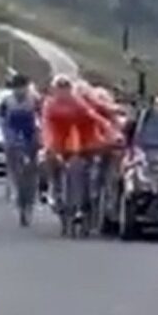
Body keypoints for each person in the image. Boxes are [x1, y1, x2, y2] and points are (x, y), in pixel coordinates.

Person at [41, 74, 119, 216]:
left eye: (66, 88)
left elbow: (93, 115)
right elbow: (46, 127)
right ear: (54, 90)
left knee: (85, 166)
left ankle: (86, 199)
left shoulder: (77, 102)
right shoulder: (50, 105)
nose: (63, 92)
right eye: (59, 89)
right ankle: (54, 189)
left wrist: (109, 129)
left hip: (82, 139)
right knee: (49, 160)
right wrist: (48, 145)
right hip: (58, 137)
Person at [0, 73, 41, 207]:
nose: (20, 91)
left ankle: (33, 186)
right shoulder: (7, 101)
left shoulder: (35, 99)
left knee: (34, 157)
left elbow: (42, 117)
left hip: (30, 128)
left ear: (27, 88)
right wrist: (7, 136)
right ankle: (16, 185)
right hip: (13, 128)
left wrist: (39, 134)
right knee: (11, 152)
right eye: (17, 88)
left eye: (23, 87)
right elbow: (2, 120)